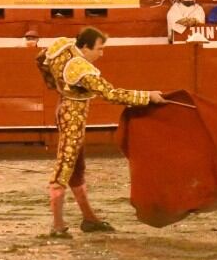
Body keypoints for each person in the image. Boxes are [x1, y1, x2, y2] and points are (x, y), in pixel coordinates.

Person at [36, 28, 166, 237]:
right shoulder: (81, 69)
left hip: (64, 110)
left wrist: (58, 89)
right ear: (86, 47)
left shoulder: (63, 47)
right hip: (73, 118)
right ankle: (58, 226)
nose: (102, 53)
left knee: (77, 168)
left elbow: (41, 59)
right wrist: (147, 96)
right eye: (99, 48)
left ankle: (89, 219)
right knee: (64, 169)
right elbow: (111, 94)